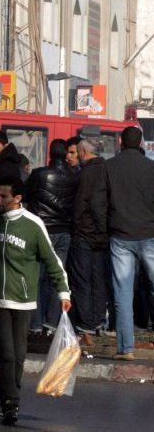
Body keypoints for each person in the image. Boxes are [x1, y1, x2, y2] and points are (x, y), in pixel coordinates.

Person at [0, 175, 71, 425]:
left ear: (18, 199)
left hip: (23, 301)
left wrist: (63, 292)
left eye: (4, 196)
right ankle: (9, 403)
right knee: (5, 352)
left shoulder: (33, 224)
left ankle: (12, 399)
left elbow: (52, 260)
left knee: (18, 354)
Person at [99, 126, 154, 362]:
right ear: (141, 142)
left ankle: (126, 348)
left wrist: (106, 227)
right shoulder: (151, 168)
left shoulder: (109, 166)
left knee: (122, 292)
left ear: (120, 142)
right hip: (149, 233)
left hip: (120, 235)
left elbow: (101, 202)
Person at [24, 139, 77, 333]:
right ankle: (52, 323)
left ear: (50, 153)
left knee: (37, 278)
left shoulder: (39, 174)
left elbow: (25, 195)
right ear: (65, 155)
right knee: (58, 277)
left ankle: (36, 324)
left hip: (42, 229)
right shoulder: (75, 176)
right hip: (64, 231)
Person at [69, 138, 109, 342]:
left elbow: (82, 203)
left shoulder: (85, 173)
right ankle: (99, 320)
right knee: (98, 279)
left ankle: (86, 324)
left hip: (85, 232)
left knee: (82, 280)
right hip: (103, 233)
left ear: (83, 152)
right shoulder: (107, 169)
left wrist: (78, 225)